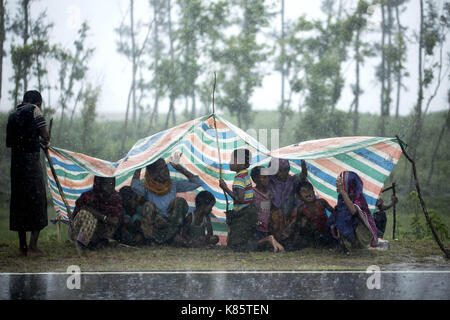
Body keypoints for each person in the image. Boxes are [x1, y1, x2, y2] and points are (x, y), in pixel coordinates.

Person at [6, 90, 50, 257]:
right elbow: (44, 136)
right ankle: (33, 247)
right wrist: (45, 140)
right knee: (37, 201)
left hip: (16, 165)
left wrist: (34, 139)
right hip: (31, 164)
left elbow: (13, 142)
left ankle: (22, 247)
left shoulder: (12, 115)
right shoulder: (35, 110)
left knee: (20, 202)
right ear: (37, 102)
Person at [131, 152, 202, 246]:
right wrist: (139, 166)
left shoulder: (173, 184)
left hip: (170, 225)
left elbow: (197, 183)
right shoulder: (147, 187)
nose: (166, 171)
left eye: (166, 167)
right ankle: (152, 239)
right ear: (153, 174)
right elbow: (134, 185)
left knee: (180, 202)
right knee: (148, 206)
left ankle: (171, 238)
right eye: (161, 169)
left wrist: (180, 168)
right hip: (154, 225)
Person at [219, 149, 283, 252]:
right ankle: (267, 241)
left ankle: (268, 240)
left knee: (236, 246)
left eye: (232, 160)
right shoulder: (245, 174)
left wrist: (225, 188)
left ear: (240, 162)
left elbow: (240, 199)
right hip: (248, 213)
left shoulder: (239, 178)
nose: (229, 163)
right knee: (239, 241)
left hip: (244, 214)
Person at [70, 176, 122, 255]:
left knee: (93, 217)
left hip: (101, 231)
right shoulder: (87, 196)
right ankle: (81, 244)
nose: (110, 186)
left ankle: (94, 243)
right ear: (99, 184)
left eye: (112, 183)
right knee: (88, 215)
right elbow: (76, 216)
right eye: (107, 184)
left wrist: (95, 213)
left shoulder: (115, 198)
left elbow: (115, 221)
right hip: (77, 230)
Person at [328, 171, 378, 252]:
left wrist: (342, 191)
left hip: (361, 235)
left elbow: (354, 212)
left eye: (341, 181)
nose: (338, 183)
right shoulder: (341, 197)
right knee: (335, 217)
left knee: (343, 217)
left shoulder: (359, 199)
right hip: (351, 226)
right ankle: (341, 245)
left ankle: (353, 245)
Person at [282, 181, 336, 250]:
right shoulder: (301, 209)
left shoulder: (321, 202)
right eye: (304, 191)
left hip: (326, 231)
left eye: (309, 190)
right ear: (299, 197)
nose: (308, 192)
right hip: (313, 235)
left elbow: (333, 212)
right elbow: (298, 224)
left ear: (313, 192)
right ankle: (312, 244)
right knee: (304, 223)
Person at [268, 158, 308, 242]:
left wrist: (303, 163)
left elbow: (303, 175)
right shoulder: (269, 182)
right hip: (275, 216)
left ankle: (291, 237)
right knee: (275, 217)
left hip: (290, 214)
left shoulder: (291, 180)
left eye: (286, 170)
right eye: (279, 170)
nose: (283, 173)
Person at [250, 166, 284, 252]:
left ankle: (270, 239)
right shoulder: (252, 193)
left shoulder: (270, 194)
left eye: (268, 177)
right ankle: (270, 239)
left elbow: (270, 209)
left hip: (265, 228)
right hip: (255, 228)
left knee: (257, 247)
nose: (267, 179)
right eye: (264, 177)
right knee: (252, 247)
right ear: (255, 179)